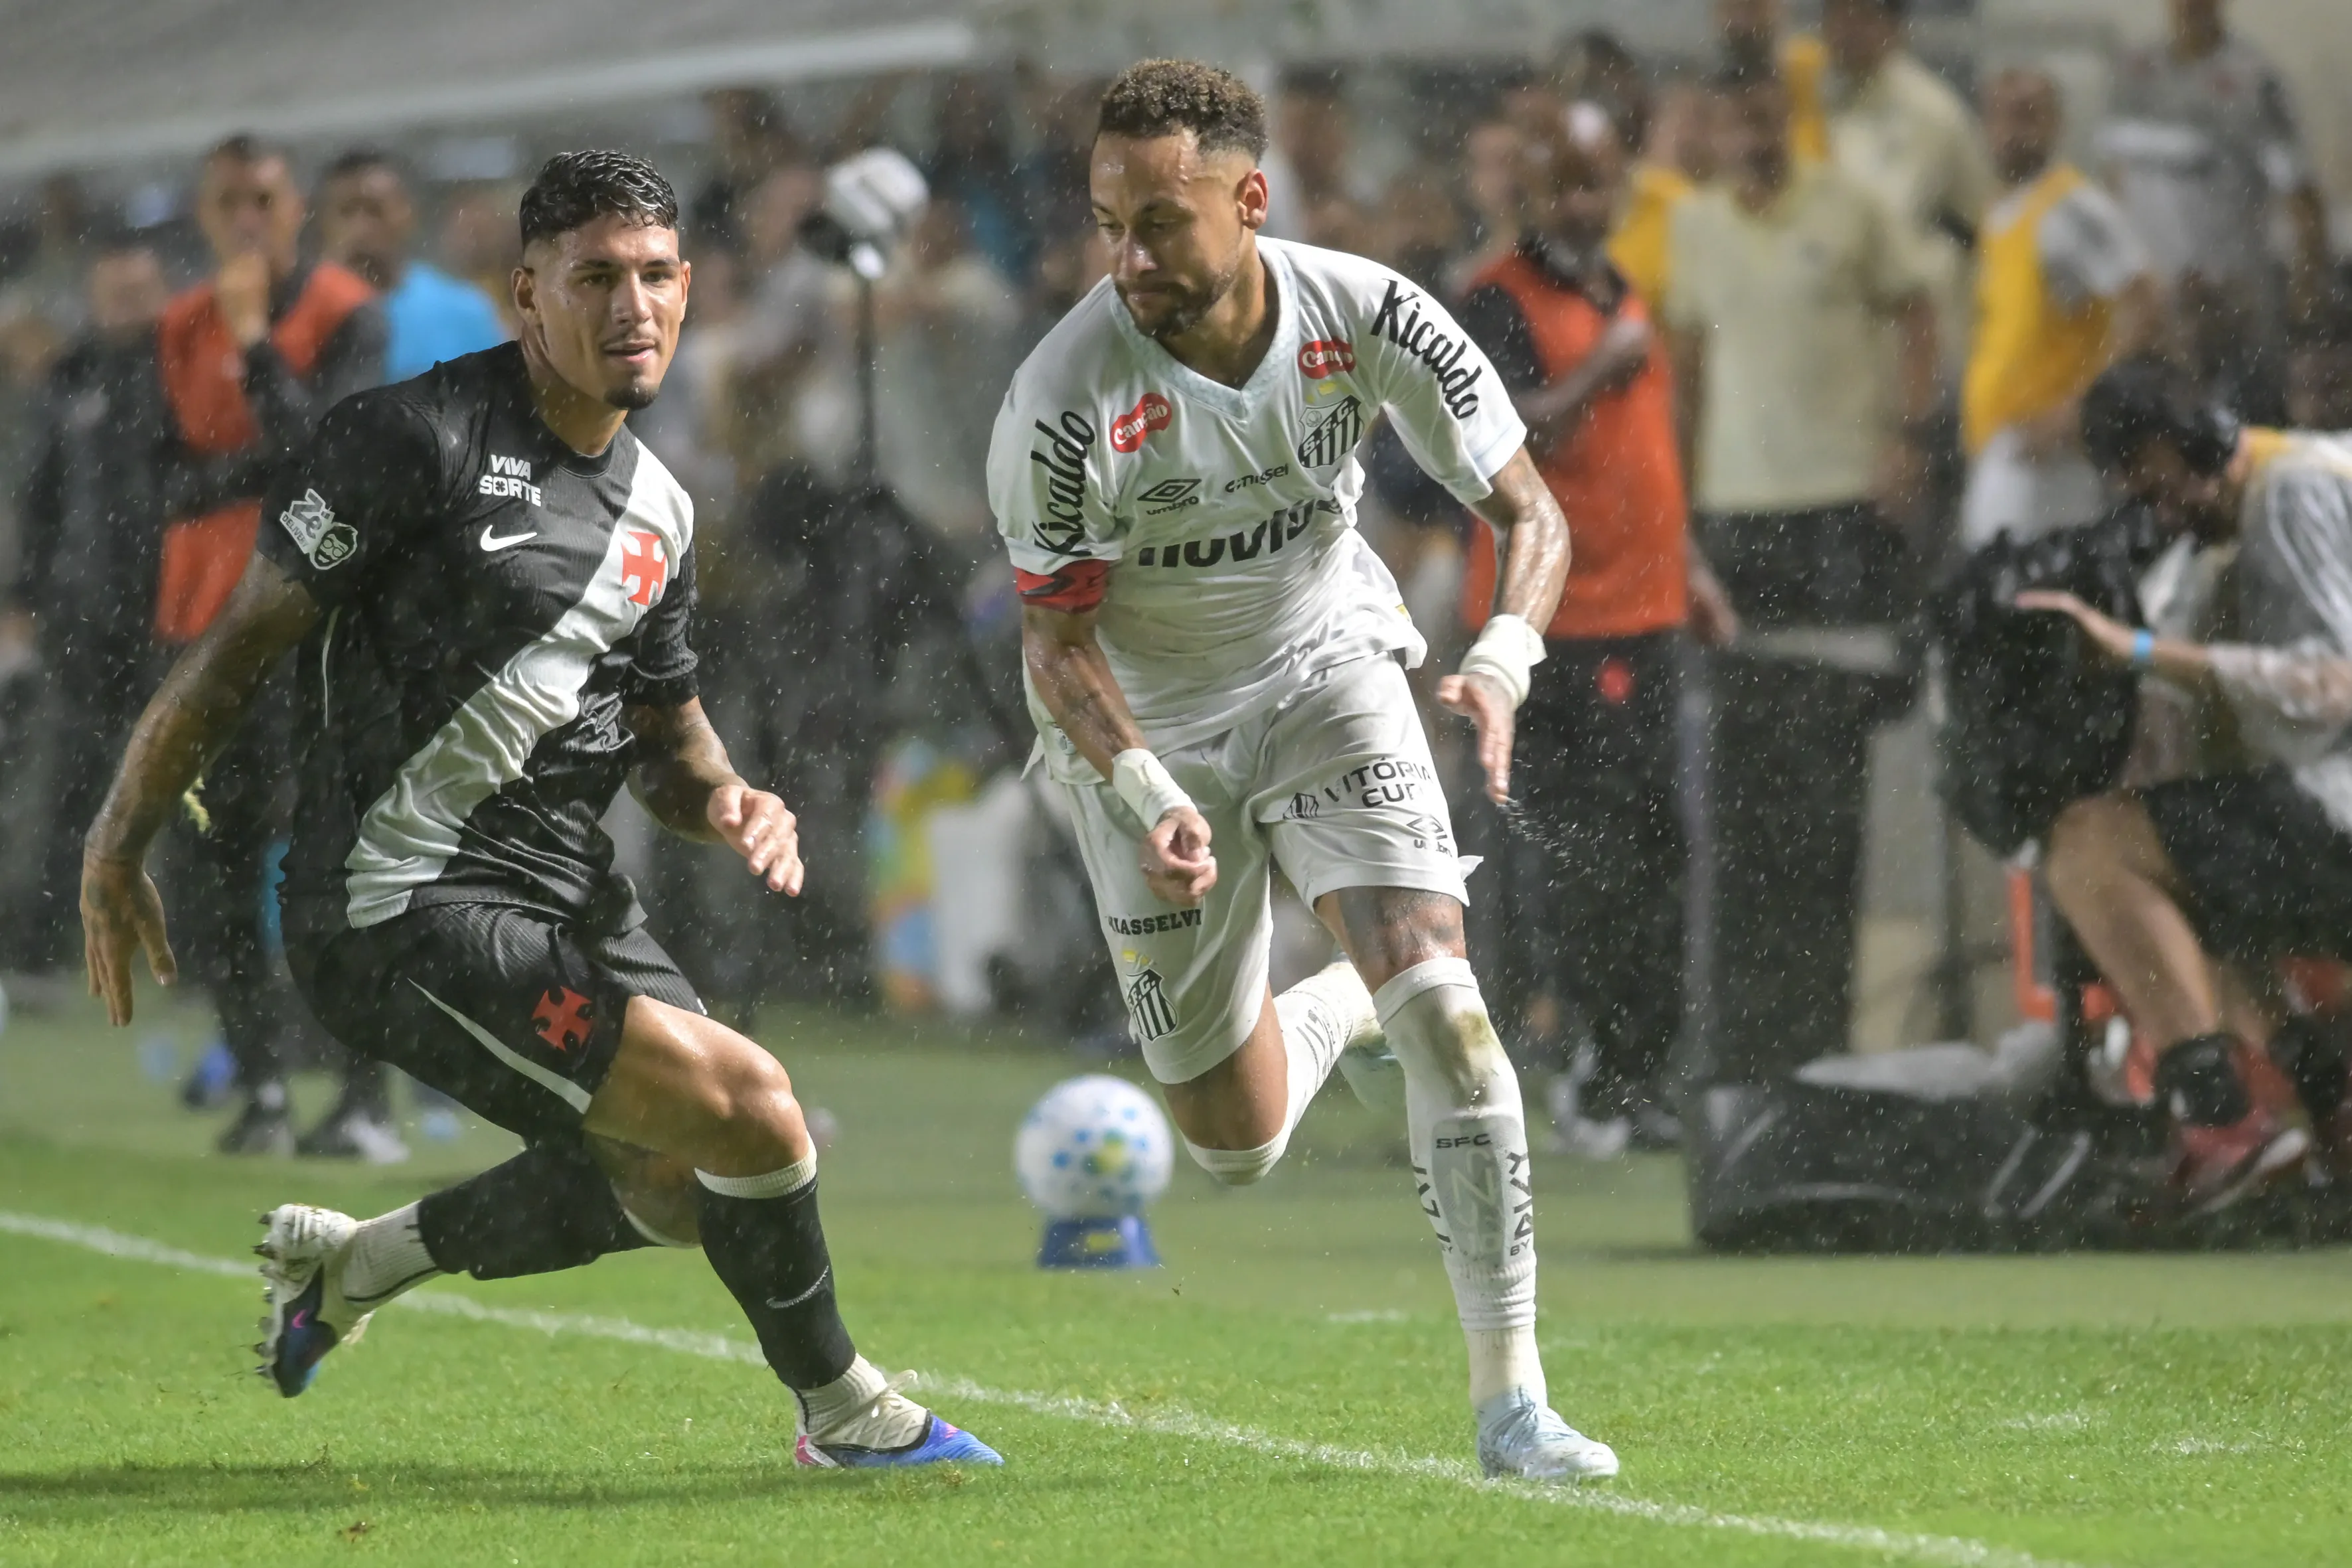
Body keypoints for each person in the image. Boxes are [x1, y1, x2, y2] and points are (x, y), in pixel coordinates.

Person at [79, 150, 998, 1469]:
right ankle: (847, 1411)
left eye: (657, 276)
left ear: (687, 289)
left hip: (566, 893)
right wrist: (117, 840)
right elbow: (234, 653)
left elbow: (667, 738)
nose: (634, 306)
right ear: (527, 293)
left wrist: (732, 797)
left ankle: (360, 1264)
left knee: (681, 1184)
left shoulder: (661, 507)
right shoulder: (412, 439)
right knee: (753, 1105)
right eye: (596, 278)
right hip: (397, 903)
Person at [992, 59, 1614, 1482]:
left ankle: (1512, 1403)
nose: (1130, 258)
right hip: (1147, 731)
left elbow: (1527, 509)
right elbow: (1055, 643)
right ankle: (1340, 1001)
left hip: (1326, 669)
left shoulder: (1369, 313)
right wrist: (1148, 794)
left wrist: (1502, 658)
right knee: (1233, 1140)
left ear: (1251, 198)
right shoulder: (1060, 398)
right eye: (1109, 226)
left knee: (1451, 1013)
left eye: (1161, 222)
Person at [1454, 104, 1735, 1156]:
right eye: (1564, 184)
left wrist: (1688, 566)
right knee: (1579, 857)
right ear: (1529, 191)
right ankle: (1583, 1062)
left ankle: (1637, 1070)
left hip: (1644, 614)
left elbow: (1641, 449)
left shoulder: (1618, 292)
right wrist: (1593, 375)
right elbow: (1494, 434)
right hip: (1557, 623)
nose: (1582, 203)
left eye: (1596, 182)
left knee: (1658, 848)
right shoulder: (1494, 298)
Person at [2018, 356, 2352, 1210]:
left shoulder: (2293, 493)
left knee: (2092, 846)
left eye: (2152, 475)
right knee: (2170, 857)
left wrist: (2137, 651)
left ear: (2193, 437)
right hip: (2331, 801)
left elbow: (2335, 681)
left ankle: (2223, 1126)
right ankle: (2327, 1097)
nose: (2152, 503)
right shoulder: (2268, 503)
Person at [1663, 63, 1939, 1081]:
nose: (1750, 132)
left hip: (1836, 511)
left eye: (1762, 113)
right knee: (1740, 785)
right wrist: (1676, 502)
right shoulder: (1692, 225)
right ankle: (1747, 1043)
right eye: (1731, 117)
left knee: (1828, 775)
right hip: (1735, 517)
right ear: (1712, 128)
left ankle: (1823, 1033)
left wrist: (1905, 434)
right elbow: (1684, 367)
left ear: (1785, 115)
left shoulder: (1850, 207)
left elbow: (1917, 313)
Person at [153, 134, 391, 1158]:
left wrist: (254, 343)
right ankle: (259, 1087)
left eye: (263, 198)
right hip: (203, 625)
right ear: (207, 217)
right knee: (215, 859)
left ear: (296, 210)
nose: (248, 219)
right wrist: (250, 473)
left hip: (315, 618)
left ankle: (364, 1096)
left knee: (334, 854)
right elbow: (158, 477)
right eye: (228, 202)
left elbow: (325, 454)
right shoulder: (177, 325)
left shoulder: (346, 312)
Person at [6, 240, 171, 973]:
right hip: (83, 615)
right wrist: (23, 597)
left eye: (140, 291)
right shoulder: (70, 377)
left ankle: (188, 948)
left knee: (182, 792)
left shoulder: (186, 370)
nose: (127, 307)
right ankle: (39, 947)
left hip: (173, 617)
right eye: (115, 292)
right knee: (68, 784)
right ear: (93, 297)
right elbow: (39, 496)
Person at [1962, 68, 2161, 549]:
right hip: (2004, 443)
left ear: (2055, 124)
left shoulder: (2072, 208)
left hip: (2050, 460)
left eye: (2028, 115)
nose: (2013, 132)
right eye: (2001, 116)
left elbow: (2145, 302)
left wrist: (2082, 409)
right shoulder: (1999, 213)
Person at [2100, 0, 2329, 419]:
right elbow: (2115, 182)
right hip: (2157, 310)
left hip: (2233, 307)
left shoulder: (2255, 79)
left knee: (2239, 428)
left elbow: (2302, 198)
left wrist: (2306, 296)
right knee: (2152, 428)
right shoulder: (2135, 73)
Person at [1818, 0, 1997, 366]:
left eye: (1862, 17)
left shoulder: (1934, 114)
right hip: (1832, 328)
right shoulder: (1807, 105)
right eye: (1839, 16)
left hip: (1912, 333)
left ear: (1893, 28)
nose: (1848, 30)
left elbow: (1983, 225)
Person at [317, 148, 508, 382]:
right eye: (347, 212)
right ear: (324, 222)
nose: (361, 228)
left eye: (375, 210)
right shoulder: (305, 317)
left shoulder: (463, 311)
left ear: (407, 213)